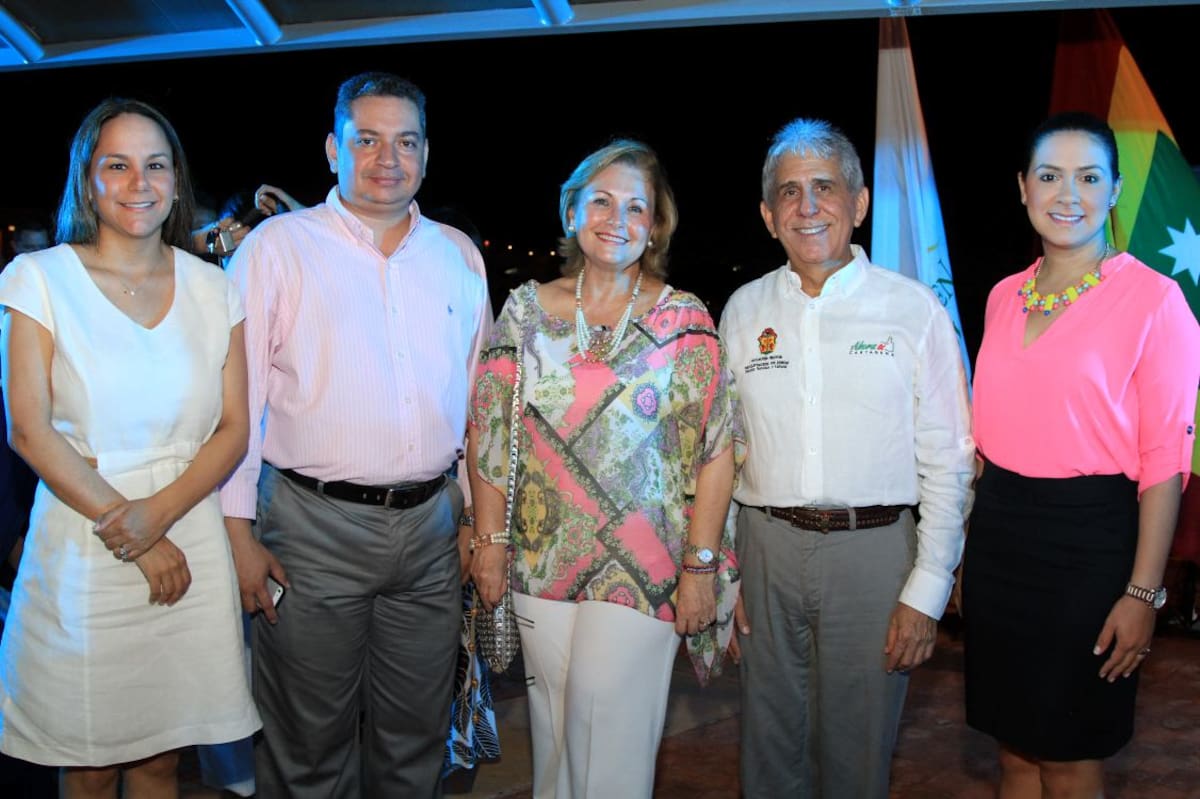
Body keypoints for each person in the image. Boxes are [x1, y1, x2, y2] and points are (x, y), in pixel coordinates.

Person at [220, 72, 492, 798]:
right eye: (367, 139)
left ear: (427, 154)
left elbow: (478, 404)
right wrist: (238, 533)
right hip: (309, 528)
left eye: (405, 141)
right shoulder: (277, 249)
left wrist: (471, 515)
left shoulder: (459, 257)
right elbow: (236, 402)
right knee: (308, 746)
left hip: (432, 531)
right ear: (334, 148)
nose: (387, 158)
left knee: (415, 740)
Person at [0, 97, 259, 796]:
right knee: (86, 763)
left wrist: (159, 517)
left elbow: (234, 426)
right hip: (87, 538)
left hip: (188, 531)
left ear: (176, 180)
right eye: (117, 165)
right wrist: (136, 532)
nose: (138, 183)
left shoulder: (214, 287)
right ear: (87, 180)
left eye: (155, 165)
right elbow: (27, 427)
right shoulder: (38, 279)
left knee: (161, 756)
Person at [468, 139, 742, 799]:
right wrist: (490, 543)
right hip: (538, 560)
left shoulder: (685, 318)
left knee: (609, 748)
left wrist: (700, 567)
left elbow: (717, 448)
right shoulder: (524, 311)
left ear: (654, 227)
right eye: (601, 199)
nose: (616, 218)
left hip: (643, 570)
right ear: (571, 209)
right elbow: (489, 435)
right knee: (557, 744)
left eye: (636, 207)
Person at [720, 118, 974, 798]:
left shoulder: (912, 310)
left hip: (875, 557)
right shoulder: (742, 312)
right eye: (790, 192)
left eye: (825, 188)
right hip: (764, 551)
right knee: (767, 753)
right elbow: (718, 451)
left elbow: (949, 461)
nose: (808, 207)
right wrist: (723, 572)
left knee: (858, 760)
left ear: (858, 203)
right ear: (768, 214)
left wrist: (926, 589)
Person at [964, 111, 1200, 798]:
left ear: (1115, 189)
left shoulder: (1158, 302)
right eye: (1050, 176)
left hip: (1090, 548)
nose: (1068, 194)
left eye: (1089, 177)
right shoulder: (1003, 296)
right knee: (1012, 751)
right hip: (1002, 540)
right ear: (1022, 188)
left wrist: (1142, 591)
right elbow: (988, 442)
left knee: (1070, 757)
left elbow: (1164, 462)